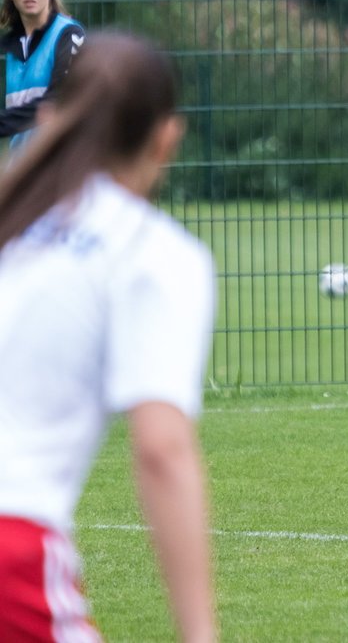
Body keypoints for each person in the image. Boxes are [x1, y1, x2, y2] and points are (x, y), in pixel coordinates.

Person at [0, 32, 218, 641]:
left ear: (49, 120)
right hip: (11, 547)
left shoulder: (13, 222)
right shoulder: (154, 255)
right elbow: (161, 449)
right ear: (166, 138)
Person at [1, 0, 86, 148]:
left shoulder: (69, 34)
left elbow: (59, 99)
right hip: (25, 165)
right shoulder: (12, 46)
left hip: (63, 162)